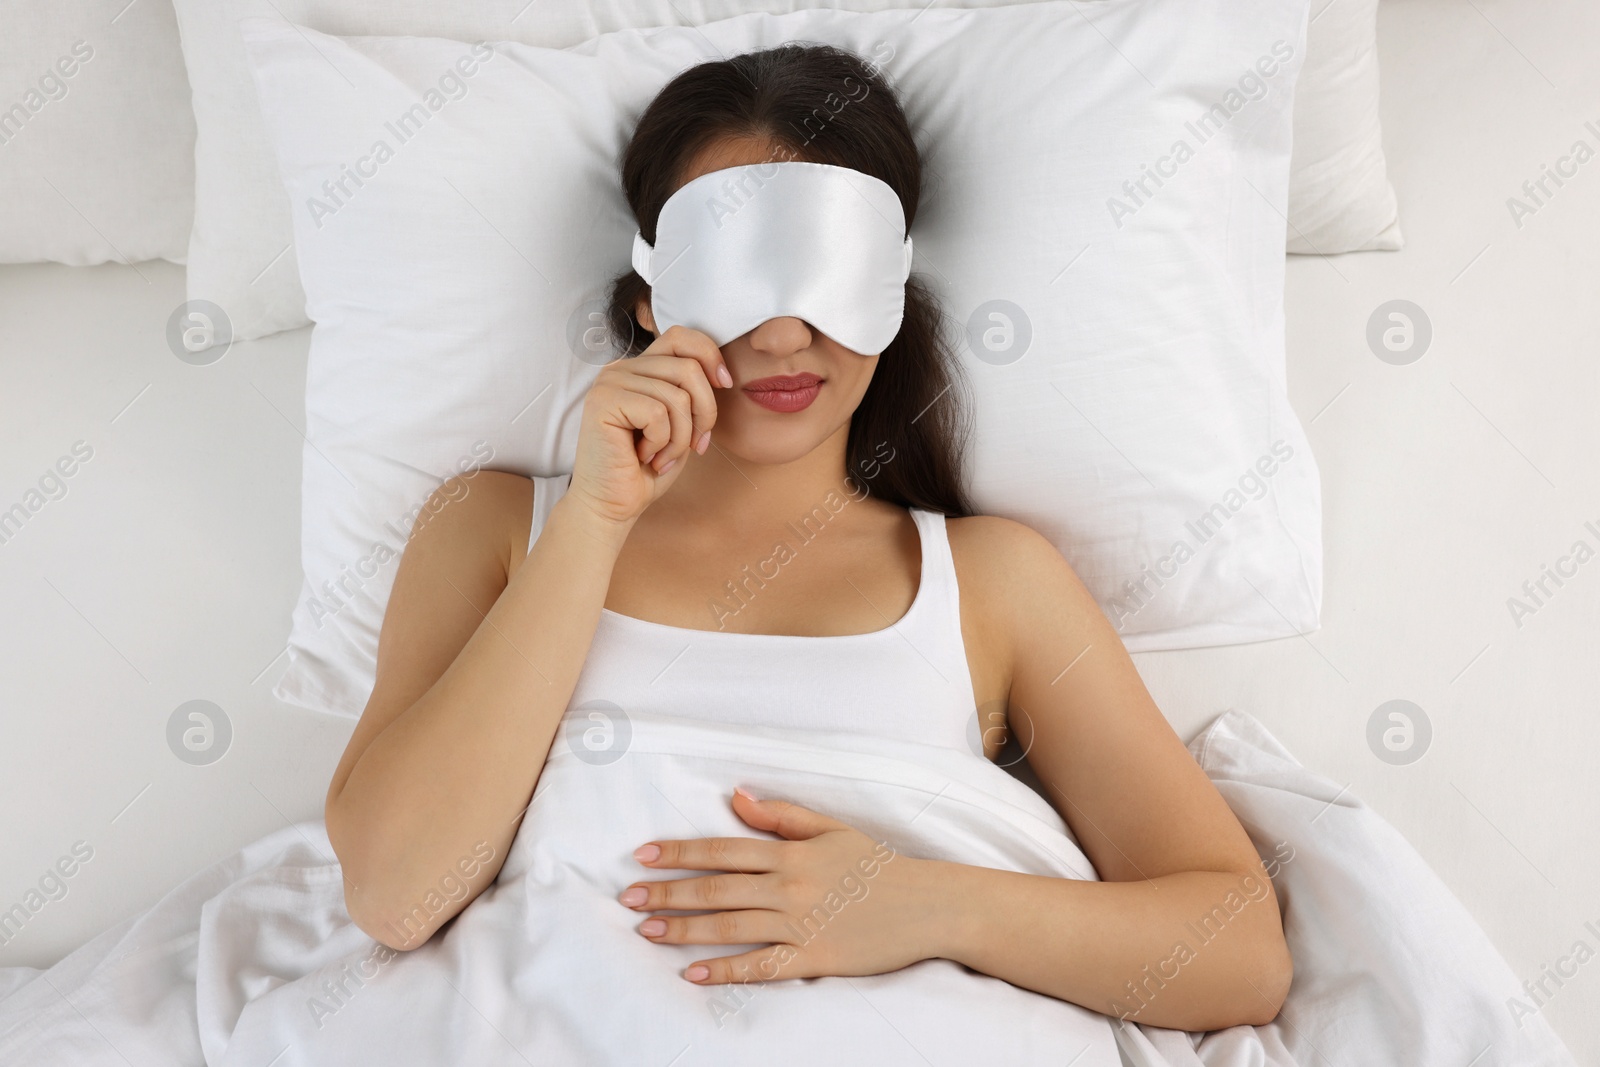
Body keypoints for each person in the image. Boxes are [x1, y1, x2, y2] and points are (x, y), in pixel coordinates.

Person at [322, 42, 1291, 1033]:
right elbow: (397, 893)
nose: (784, 336)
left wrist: (923, 900)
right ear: (651, 295)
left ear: (895, 289)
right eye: (736, 268)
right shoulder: (490, 529)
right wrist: (593, 523)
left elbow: (1237, 951)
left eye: (830, 270)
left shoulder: (993, 580)